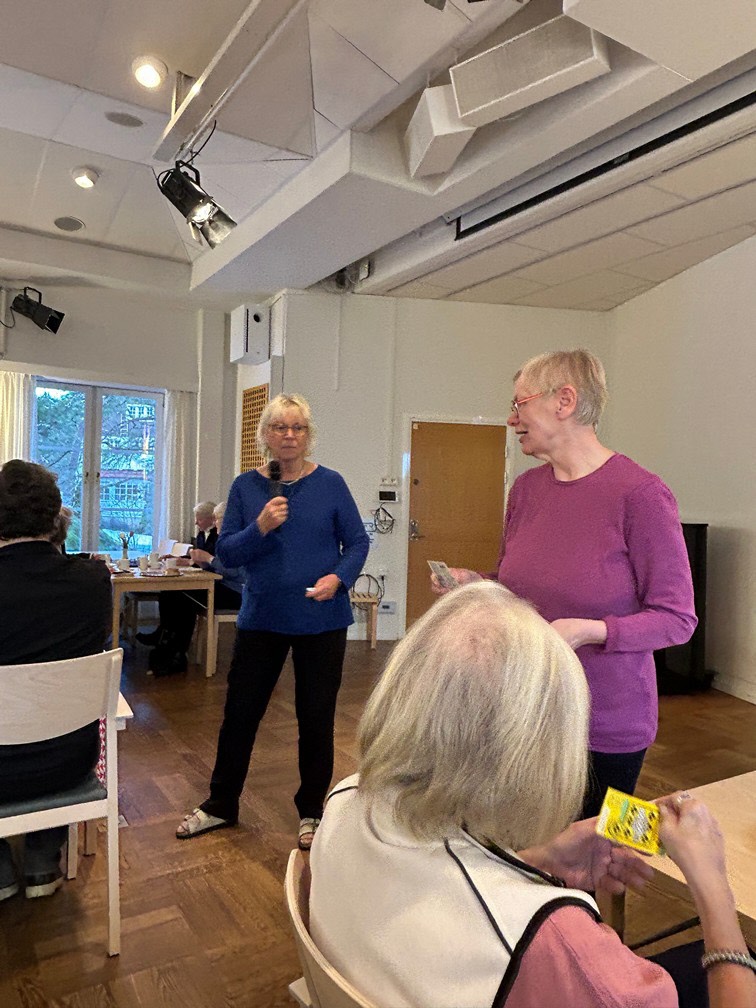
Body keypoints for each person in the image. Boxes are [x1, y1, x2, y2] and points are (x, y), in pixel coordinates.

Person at [310, 582, 756, 1008]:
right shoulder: (555, 941)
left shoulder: (345, 799)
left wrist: (539, 857)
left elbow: (441, 876)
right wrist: (713, 886)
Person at [433, 349, 697, 817]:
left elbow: (677, 619)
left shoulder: (641, 495)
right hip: (523, 710)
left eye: (520, 404)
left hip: (604, 725)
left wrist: (590, 630)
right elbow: (517, 582)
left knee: (592, 849)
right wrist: (478, 582)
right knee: (525, 843)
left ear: (565, 401)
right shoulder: (526, 490)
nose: (511, 419)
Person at [176, 393, 369, 850]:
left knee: (316, 717)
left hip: (322, 619)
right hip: (262, 617)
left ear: (308, 435)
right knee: (240, 714)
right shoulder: (246, 487)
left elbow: (358, 542)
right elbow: (227, 554)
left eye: (297, 427)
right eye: (280, 427)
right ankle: (221, 803)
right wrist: (260, 525)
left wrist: (339, 579)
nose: (289, 435)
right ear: (265, 434)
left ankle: (312, 810)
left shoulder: (331, 484)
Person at [0, 460, 111, 900]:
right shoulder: (94, 581)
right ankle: (44, 855)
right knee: (54, 719)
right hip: (69, 762)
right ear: (54, 518)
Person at [142, 502, 243, 676]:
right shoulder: (227, 539)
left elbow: (234, 572)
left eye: (217, 519)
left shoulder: (238, 541)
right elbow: (221, 567)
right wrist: (203, 562)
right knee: (174, 592)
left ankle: (176, 652)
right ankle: (168, 643)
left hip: (236, 593)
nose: (215, 523)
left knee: (184, 597)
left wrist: (209, 559)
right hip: (224, 585)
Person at [136, 499, 219, 671]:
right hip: (204, 577)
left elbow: (211, 560)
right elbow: (199, 558)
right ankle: (163, 633)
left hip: (217, 584)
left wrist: (190, 561)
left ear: (211, 519)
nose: (196, 522)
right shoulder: (202, 535)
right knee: (168, 592)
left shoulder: (217, 536)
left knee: (183, 597)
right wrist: (183, 559)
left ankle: (178, 647)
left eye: (199, 519)